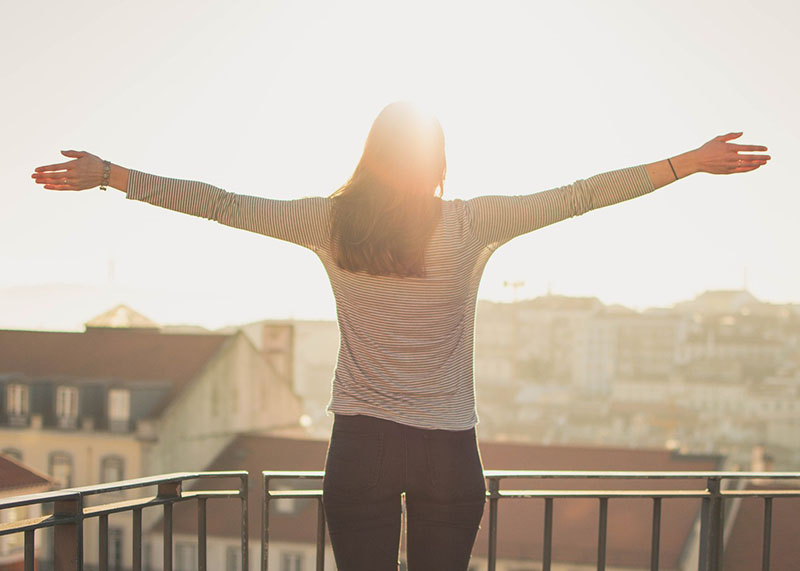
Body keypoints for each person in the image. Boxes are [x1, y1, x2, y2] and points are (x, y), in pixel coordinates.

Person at [32, 103, 770, 570]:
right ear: (439, 163)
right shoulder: (471, 222)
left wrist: (111, 175)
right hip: (449, 449)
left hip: (360, 446)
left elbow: (223, 205)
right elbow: (577, 197)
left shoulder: (328, 221)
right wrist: (688, 165)